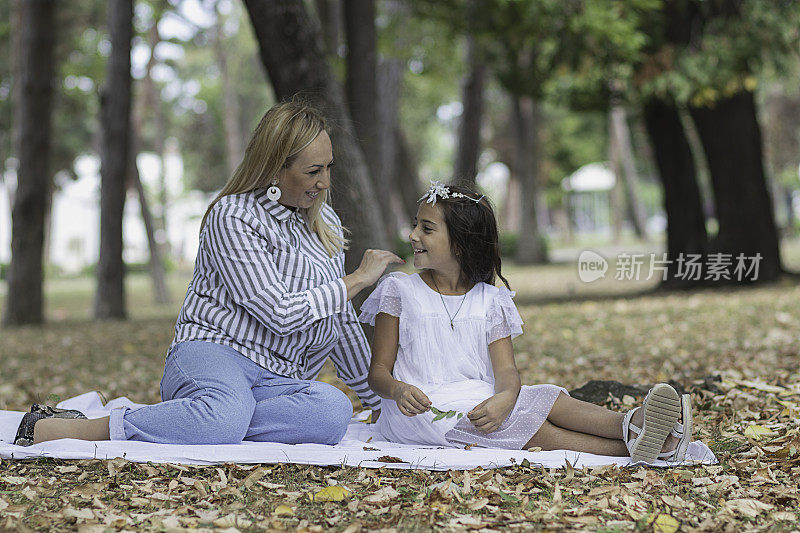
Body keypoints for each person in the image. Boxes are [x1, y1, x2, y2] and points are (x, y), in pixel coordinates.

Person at [15, 99, 403, 447]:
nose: (325, 182)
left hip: (277, 379)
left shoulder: (326, 223)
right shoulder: (233, 216)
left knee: (332, 411)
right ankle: (90, 428)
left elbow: (339, 322)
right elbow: (280, 312)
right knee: (225, 414)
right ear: (274, 169)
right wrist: (357, 280)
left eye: (328, 167)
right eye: (313, 170)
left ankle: (205, 419)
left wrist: (380, 403)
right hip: (214, 353)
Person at [360, 181, 693, 463]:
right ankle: (650, 448)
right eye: (416, 224)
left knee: (549, 397)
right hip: (419, 413)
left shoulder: (490, 300)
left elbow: (506, 372)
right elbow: (378, 373)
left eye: (426, 228)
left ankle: (634, 422)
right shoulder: (398, 290)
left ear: (461, 244)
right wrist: (398, 389)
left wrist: (505, 397)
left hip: (477, 397)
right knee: (533, 428)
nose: (413, 234)